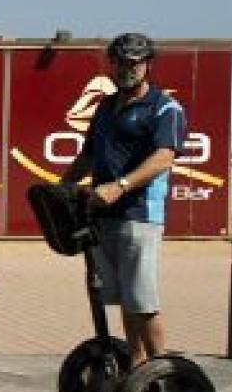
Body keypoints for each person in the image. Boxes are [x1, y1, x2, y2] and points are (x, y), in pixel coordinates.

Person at [60, 32, 186, 371]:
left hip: (140, 214)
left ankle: (163, 374)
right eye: (120, 62)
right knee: (123, 299)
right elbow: (88, 155)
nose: (127, 68)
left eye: (134, 62)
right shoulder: (105, 106)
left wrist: (122, 185)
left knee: (142, 299)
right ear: (112, 64)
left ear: (147, 65)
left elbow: (163, 157)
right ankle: (136, 362)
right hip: (103, 214)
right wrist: (63, 185)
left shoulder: (165, 108)